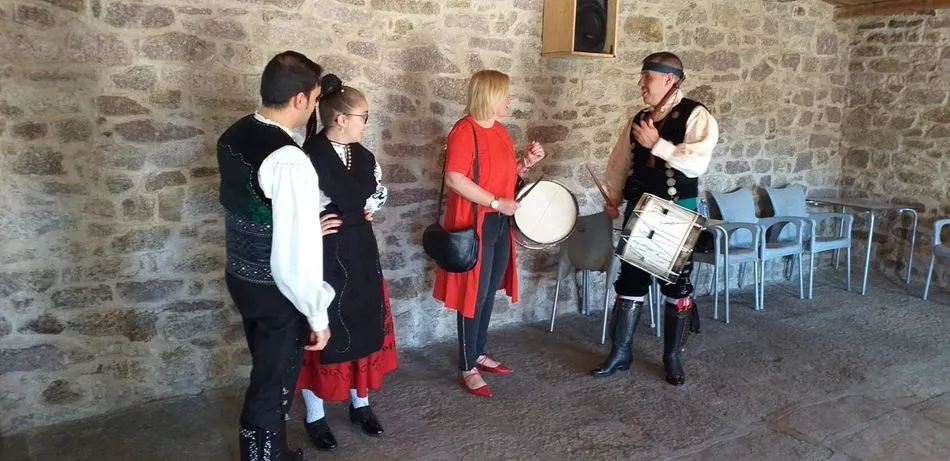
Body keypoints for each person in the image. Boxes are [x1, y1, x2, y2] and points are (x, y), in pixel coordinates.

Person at [217, 51, 335, 461]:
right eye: (315, 98)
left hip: (240, 276)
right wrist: (317, 315)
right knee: (272, 383)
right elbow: (296, 253)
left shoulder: (235, 134)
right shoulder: (288, 159)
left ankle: (276, 450)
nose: (314, 106)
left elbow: (257, 208)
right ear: (300, 99)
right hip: (275, 290)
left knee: (266, 369)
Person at [590, 51, 720, 386]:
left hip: (677, 212)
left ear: (669, 79)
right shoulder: (639, 118)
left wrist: (657, 144)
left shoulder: (696, 114)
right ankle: (621, 352)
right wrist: (615, 197)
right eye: (642, 77)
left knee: (677, 285)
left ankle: (672, 357)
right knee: (630, 281)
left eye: (647, 77)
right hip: (640, 209)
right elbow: (621, 162)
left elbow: (697, 162)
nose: (641, 84)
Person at [295, 74, 398, 451]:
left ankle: (360, 404)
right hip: (323, 256)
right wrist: (311, 225)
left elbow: (375, 194)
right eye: (363, 116)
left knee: (364, 324)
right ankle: (315, 415)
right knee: (324, 333)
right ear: (340, 119)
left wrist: (367, 208)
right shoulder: (305, 159)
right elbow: (287, 210)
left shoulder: (364, 156)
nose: (366, 123)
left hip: (361, 252)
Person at [433, 70, 545, 398]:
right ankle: (467, 365)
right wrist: (496, 202)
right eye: (505, 95)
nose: (510, 100)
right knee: (474, 294)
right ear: (490, 96)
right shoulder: (464, 131)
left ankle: (478, 351)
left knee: (487, 291)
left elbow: (504, 174)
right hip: (475, 224)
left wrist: (525, 163)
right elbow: (455, 178)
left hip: (497, 223)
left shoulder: (500, 131)